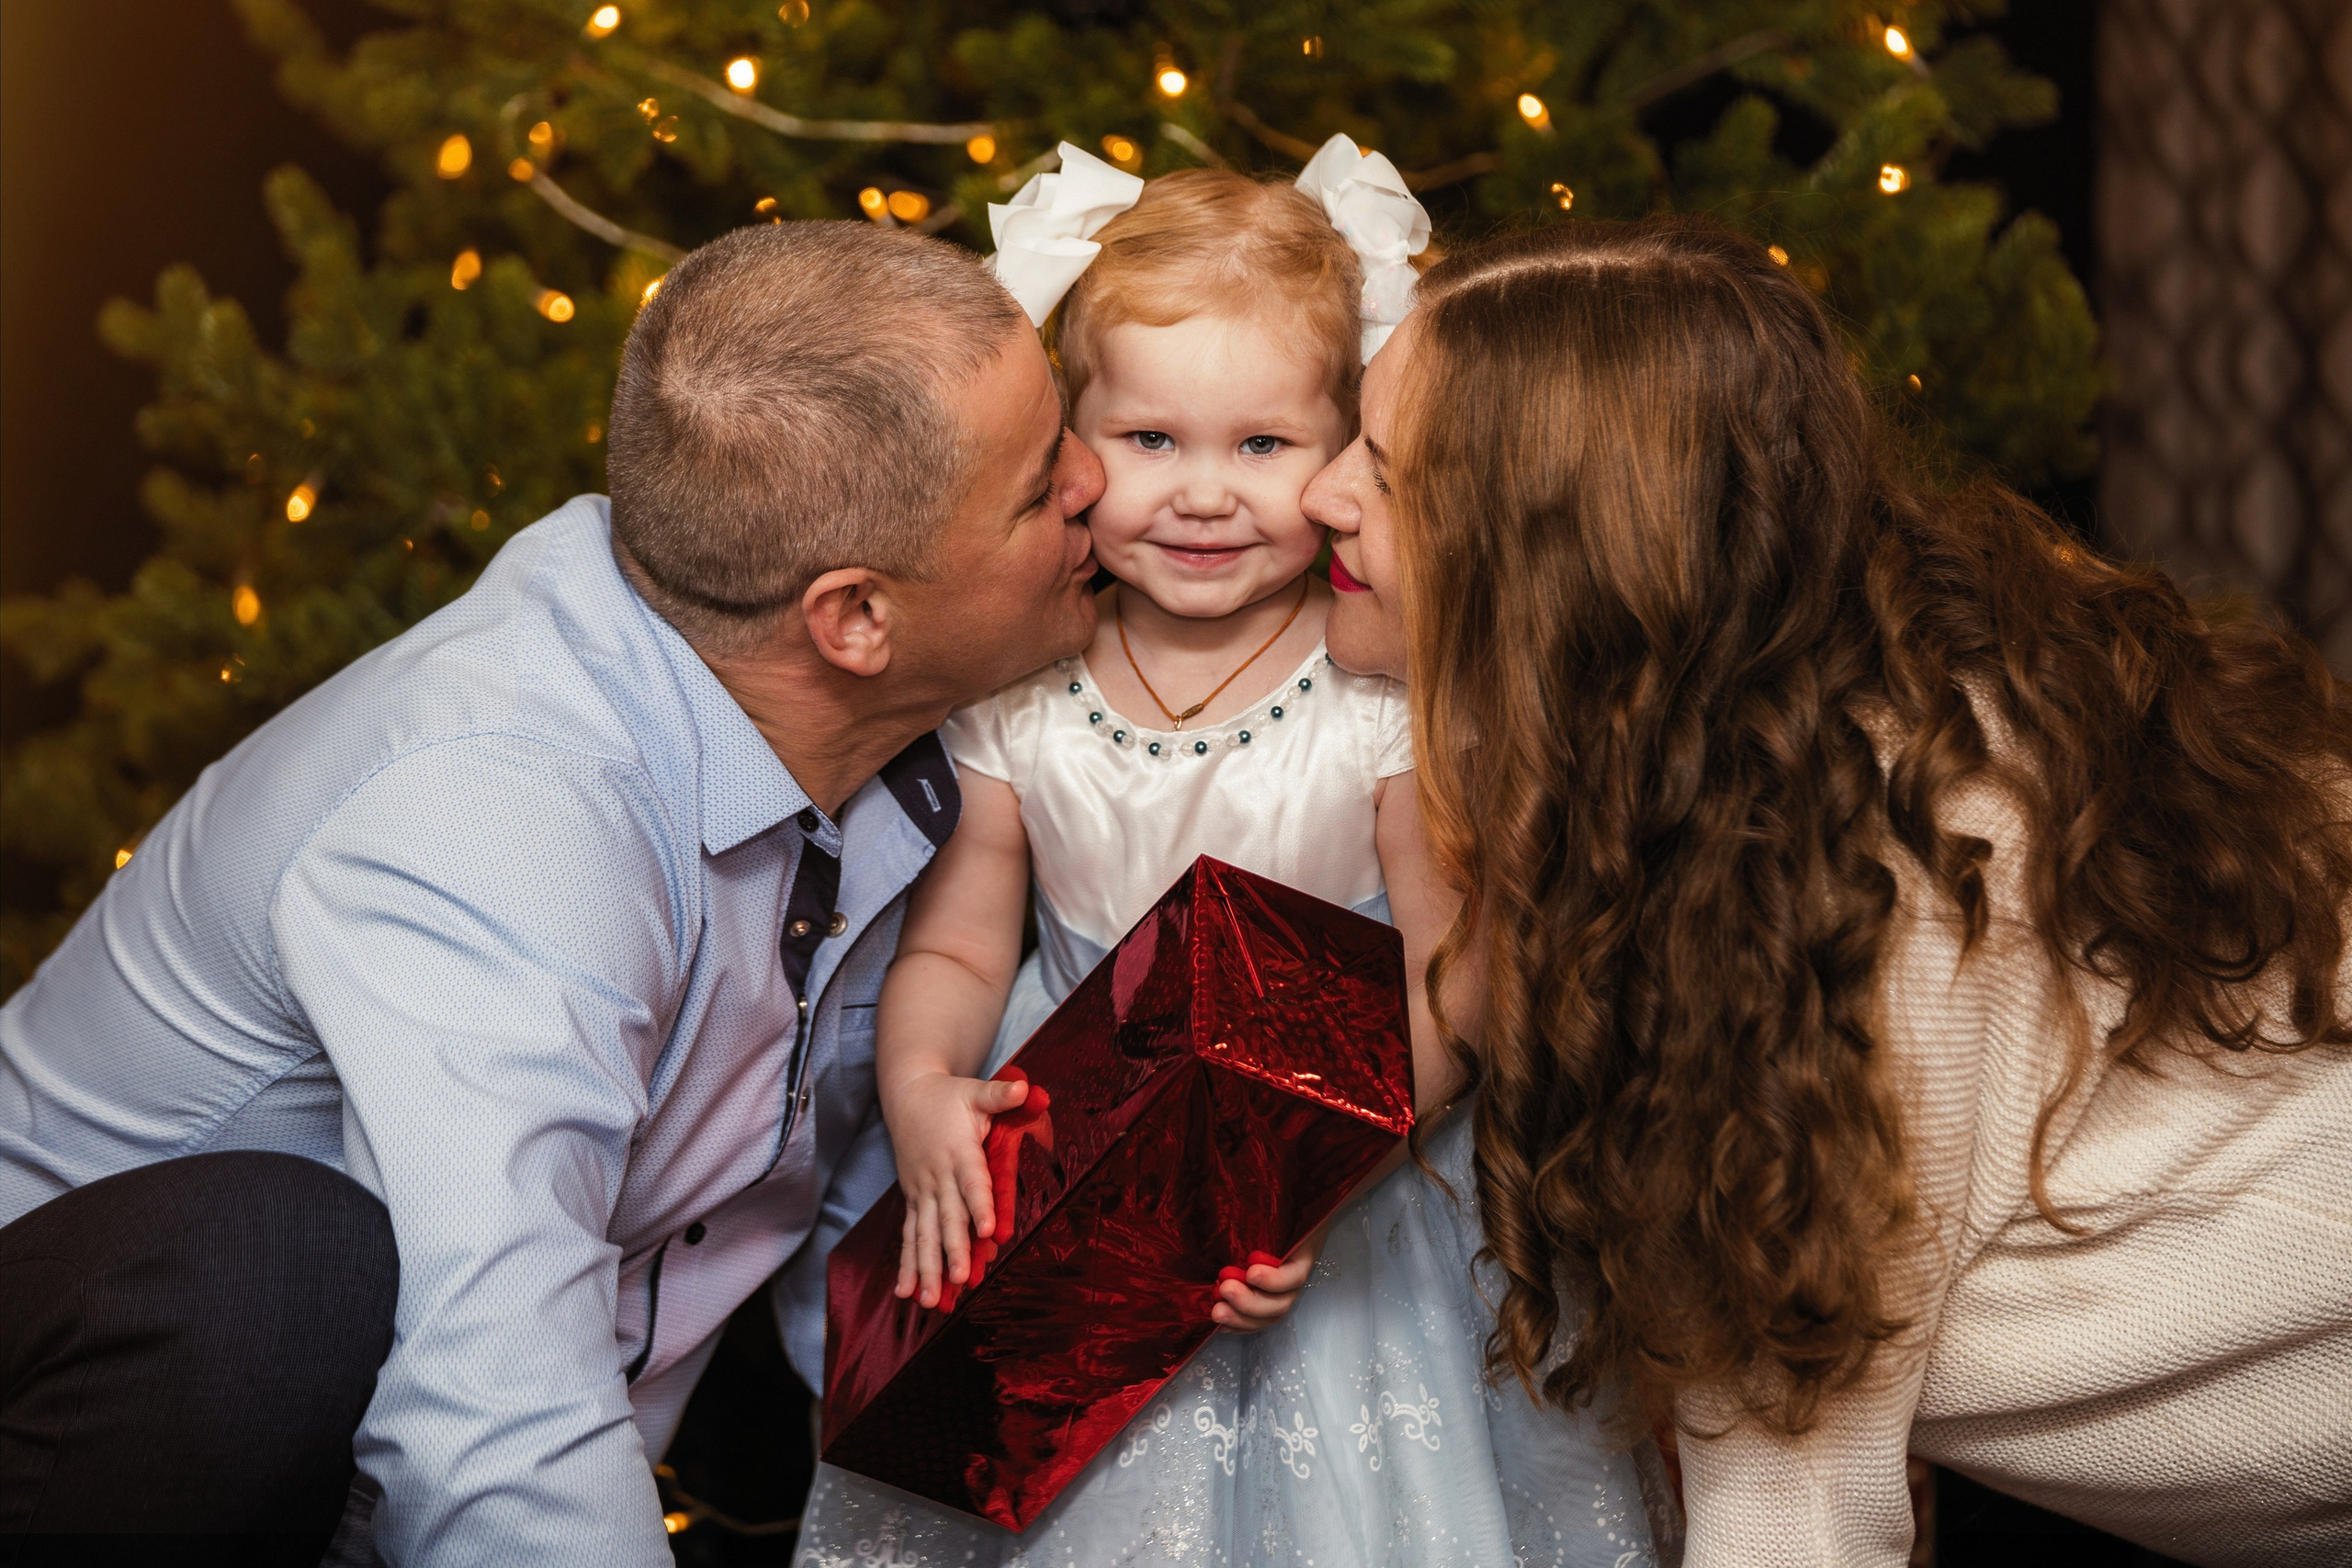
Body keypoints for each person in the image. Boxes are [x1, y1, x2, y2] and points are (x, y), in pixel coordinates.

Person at [0, 221, 1125, 1563]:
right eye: (1041, 483)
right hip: (82, 1416)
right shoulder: (504, 817)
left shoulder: (885, 755)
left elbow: (857, 1210)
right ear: (855, 619)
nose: (1099, 479)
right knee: (285, 1258)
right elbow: (492, 1388)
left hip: (362, 1485)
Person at [1304, 216, 2352, 1567]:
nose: (1319, 494)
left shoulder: (1853, 876)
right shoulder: (1740, 745)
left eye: (1386, 474)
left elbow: (1795, 1514)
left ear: (1554, 561)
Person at [796, 142, 1664, 1568]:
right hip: (1078, 1160)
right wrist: (924, 1086)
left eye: (1263, 447)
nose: (1205, 494)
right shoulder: (1021, 694)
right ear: (1070, 445)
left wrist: (1302, 1177)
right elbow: (955, 942)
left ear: (1348, 449)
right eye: (1151, 441)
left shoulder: (1377, 690)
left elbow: (1456, 976)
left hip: (1345, 1174)